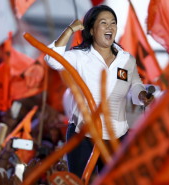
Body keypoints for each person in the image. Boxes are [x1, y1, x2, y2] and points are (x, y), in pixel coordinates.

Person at [44, 5, 154, 178]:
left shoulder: (126, 59)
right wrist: (70, 30)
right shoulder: (79, 56)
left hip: (116, 135)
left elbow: (135, 85)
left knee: (113, 181)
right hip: (83, 134)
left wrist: (142, 95)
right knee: (78, 181)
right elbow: (51, 59)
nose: (110, 27)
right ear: (92, 30)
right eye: (103, 23)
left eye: (113, 23)